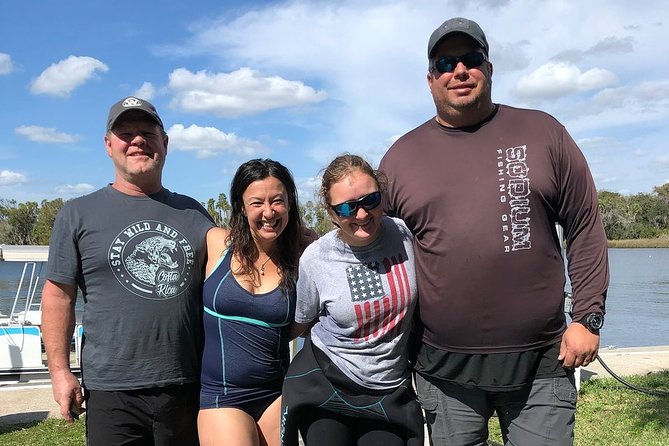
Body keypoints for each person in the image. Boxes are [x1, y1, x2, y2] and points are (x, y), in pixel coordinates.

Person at [379, 17, 609, 446]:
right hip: (443, 372)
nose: (459, 71)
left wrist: (588, 318)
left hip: (541, 365)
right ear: (430, 78)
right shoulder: (400, 158)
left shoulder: (543, 132)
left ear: (489, 67)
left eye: (471, 59)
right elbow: (377, 253)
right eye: (446, 63)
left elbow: (584, 225)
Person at [41, 96, 214, 445]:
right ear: (108, 145)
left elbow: (234, 274)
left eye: (147, 132)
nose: (137, 140)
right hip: (111, 390)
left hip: (186, 385)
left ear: (164, 143)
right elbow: (58, 296)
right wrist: (60, 372)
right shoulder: (77, 214)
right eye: (125, 133)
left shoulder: (194, 213)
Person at [281, 154, 424, 446]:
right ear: (332, 213)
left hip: (389, 388)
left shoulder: (404, 235)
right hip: (328, 382)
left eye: (370, 200)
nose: (361, 214)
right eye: (347, 207)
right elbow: (299, 323)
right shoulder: (317, 258)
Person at [198, 159, 304, 446]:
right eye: (257, 202)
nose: (268, 212)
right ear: (241, 207)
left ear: (290, 204)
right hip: (222, 395)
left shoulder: (300, 260)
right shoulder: (216, 244)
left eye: (277, 201)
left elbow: (303, 327)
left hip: (276, 394)